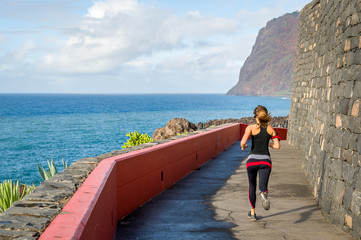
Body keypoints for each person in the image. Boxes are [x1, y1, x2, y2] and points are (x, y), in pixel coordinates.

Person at [240, 105, 280, 221]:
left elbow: (242, 143)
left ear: (255, 116)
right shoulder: (270, 129)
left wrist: (244, 146)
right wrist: (267, 143)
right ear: (265, 116)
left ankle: (252, 213)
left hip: (252, 161)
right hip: (265, 161)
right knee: (263, 186)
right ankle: (263, 193)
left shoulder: (250, 128)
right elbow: (277, 146)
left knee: (251, 186)